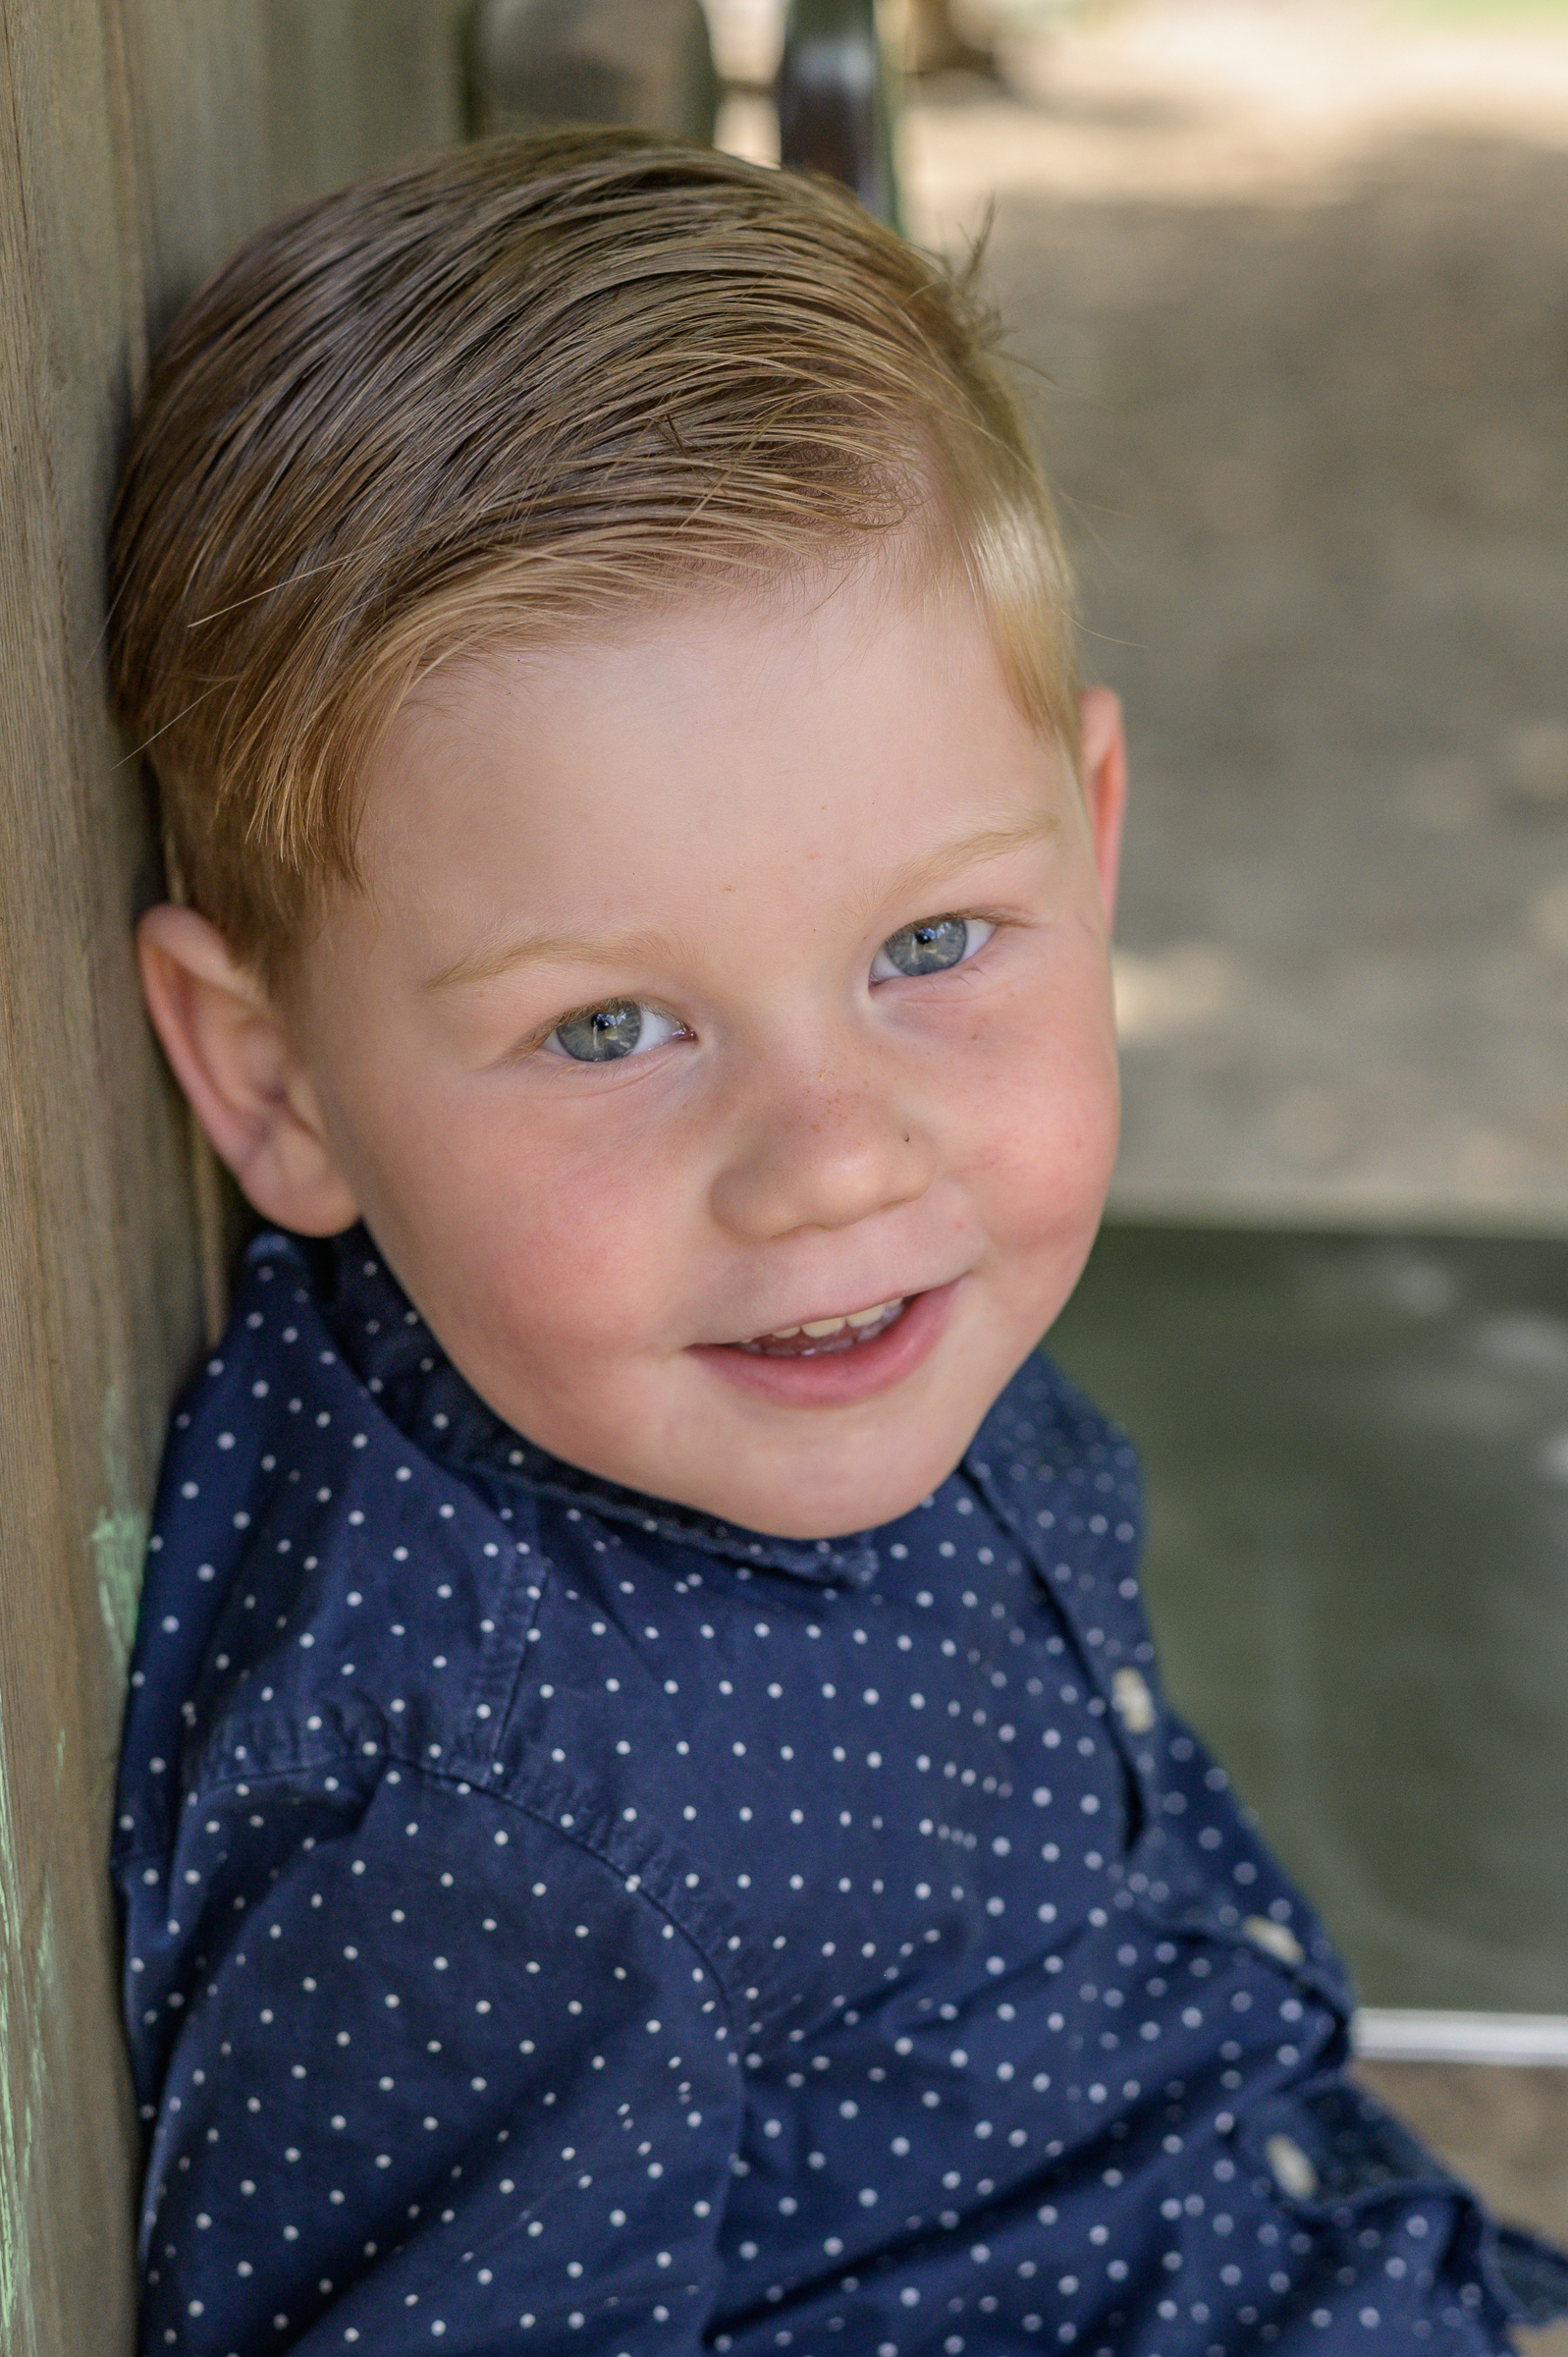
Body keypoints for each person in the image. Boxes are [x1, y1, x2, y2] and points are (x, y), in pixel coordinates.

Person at [108, 133, 1566, 2357]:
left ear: (1086, 848)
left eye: (929, 944)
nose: (829, 1158)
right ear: (273, 1077)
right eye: (607, 1024)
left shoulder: (818, 1338)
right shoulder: (484, 1835)